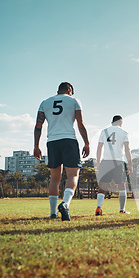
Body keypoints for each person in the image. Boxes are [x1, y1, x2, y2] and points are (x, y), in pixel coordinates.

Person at [34, 82, 90, 221]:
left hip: (52, 142)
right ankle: (65, 204)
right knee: (73, 175)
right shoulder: (74, 101)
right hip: (68, 140)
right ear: (70, 90)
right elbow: (80, 123)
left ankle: (53, 213)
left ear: (58, 90)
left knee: (54, 178)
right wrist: (87, 143)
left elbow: (38, 125)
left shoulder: (44, 102)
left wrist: (36, 145)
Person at [95, 115, 133, 216]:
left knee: (103, 186)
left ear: (112, 122)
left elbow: (99, 148)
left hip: (106, 161)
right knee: (122, 186)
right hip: (118, 162)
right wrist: (130, 164)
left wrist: (98, 163)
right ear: (121, 122)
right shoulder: (124, 132)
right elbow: (127, 149)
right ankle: (122, 209)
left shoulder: (104, 131)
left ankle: (99, 207)